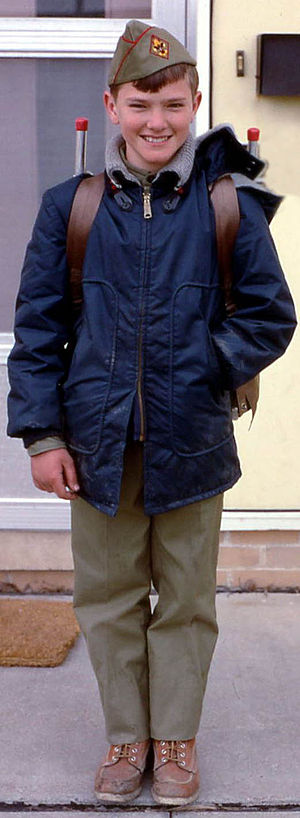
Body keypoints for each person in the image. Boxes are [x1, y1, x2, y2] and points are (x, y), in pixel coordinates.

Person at [7, 19, 296, 808]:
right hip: (95, 448)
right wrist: (41, 433)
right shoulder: (73, 207)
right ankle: (125, 738)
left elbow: (269, 316)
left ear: (196, 101)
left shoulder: (226, 204)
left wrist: (199, 369)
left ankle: (174, 738)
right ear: (111, 105)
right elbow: (37, 330)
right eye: (141, 103)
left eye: (173, 102)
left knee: (188, 601)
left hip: (193, 443)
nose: (157, 121)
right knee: (106, 600)